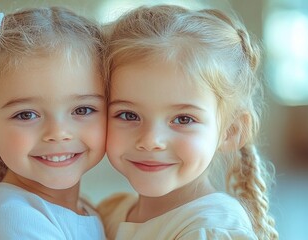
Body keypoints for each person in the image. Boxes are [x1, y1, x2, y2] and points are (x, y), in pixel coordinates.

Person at [97, 5, 278, 240]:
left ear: (231, 131)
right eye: (128, 115)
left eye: (183, 119)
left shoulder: (212, 228)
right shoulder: (110, 212)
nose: (151, 140)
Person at [0, 7, 107, 240]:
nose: (58, 133)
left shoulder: (86, 210)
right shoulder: (9, 219)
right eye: (26, 115)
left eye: (83, 110)